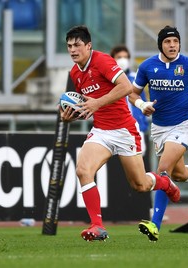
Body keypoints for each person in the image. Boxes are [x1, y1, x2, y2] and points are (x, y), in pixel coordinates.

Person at [60, 25, 180, 242]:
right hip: (101, 131)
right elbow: (86, 106)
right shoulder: (75, 73)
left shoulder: (103, 61)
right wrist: (71, 115)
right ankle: (97, 226)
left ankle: (164, 183)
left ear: (88, 46)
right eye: (69, 46)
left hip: (125, 129)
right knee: (82, 170)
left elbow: (126, 87)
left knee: (140, 185)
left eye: (77, 45)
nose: (72, 50)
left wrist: (97, 103)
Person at [129, 25, 188, 242]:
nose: (172, 45)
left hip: (183, 126)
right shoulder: (147, 66)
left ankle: (155, 225)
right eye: (168, 42)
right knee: (178, 174)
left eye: (175, 42)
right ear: (160, 45)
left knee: (163, 171)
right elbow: (133, 93)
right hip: (159, 128)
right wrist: (142, 104)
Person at [110, 45, 149, 156]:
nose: (123, 60)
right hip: (115, 129)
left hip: (136, 130)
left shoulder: (136, 78)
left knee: (137, 164)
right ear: (113, 59)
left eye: (125, 57)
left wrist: (142, 126)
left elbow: (143, 101)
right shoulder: (108, 80)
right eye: (119, 57)